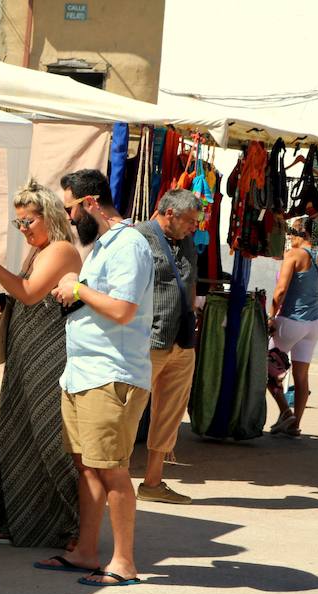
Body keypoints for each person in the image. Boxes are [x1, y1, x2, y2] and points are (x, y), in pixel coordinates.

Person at [37, 169, 153, 587]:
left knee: (112, 470)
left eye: (70, 208)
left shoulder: (129, 245)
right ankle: (87, 550)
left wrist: (77, 289)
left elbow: (123, 309)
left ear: (90, 203)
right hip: (84, 373)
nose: (68, 219)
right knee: (87, 466)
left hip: (112, 374)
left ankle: (124, 563)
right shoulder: (104, 245)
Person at [0, 180, 82, 548]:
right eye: (19, 223)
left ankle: (71, 524)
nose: (23, 230)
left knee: (49, 440)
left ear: (48, 216)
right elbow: (25, 292)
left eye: (27, 221)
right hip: (24, 358)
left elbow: (29, 294)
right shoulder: (41, 250)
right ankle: (25, 522)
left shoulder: (61, 250)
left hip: (47, 361)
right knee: (19, 436)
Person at [133, 189, 201, 505]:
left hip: (182, 342)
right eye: (190, 220)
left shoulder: (185, 240)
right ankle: (111, 480)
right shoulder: (138, 238)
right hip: (148, 339)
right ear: (169, 213)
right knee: (127, 411)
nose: (194, 227)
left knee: (169, 414)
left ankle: (153, 482)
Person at [267, 216, 318, 437]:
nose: (289, 238)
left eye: (291, 234)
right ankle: (295, 424)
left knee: (264, 366)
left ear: (302, 234)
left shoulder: (293, 255)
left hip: (291, 321)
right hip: (313, 324)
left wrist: (271, 317)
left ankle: (284, 410)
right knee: (302, 376)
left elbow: (280, 291)